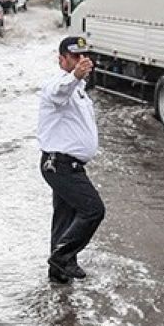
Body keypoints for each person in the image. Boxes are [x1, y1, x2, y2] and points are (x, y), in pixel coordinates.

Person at [38, 35, 105, 284]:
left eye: (85, 56)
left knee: (64, 218)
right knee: (93, 210)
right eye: (76, 56)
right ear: (62, 60)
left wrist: (77, 79)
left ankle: (58, 274)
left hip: (69, 165)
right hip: (59, 165)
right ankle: (63, 257)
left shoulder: (80, 90)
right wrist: (74, 76)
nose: (82, 61)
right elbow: (59, 92)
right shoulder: (57, 84)